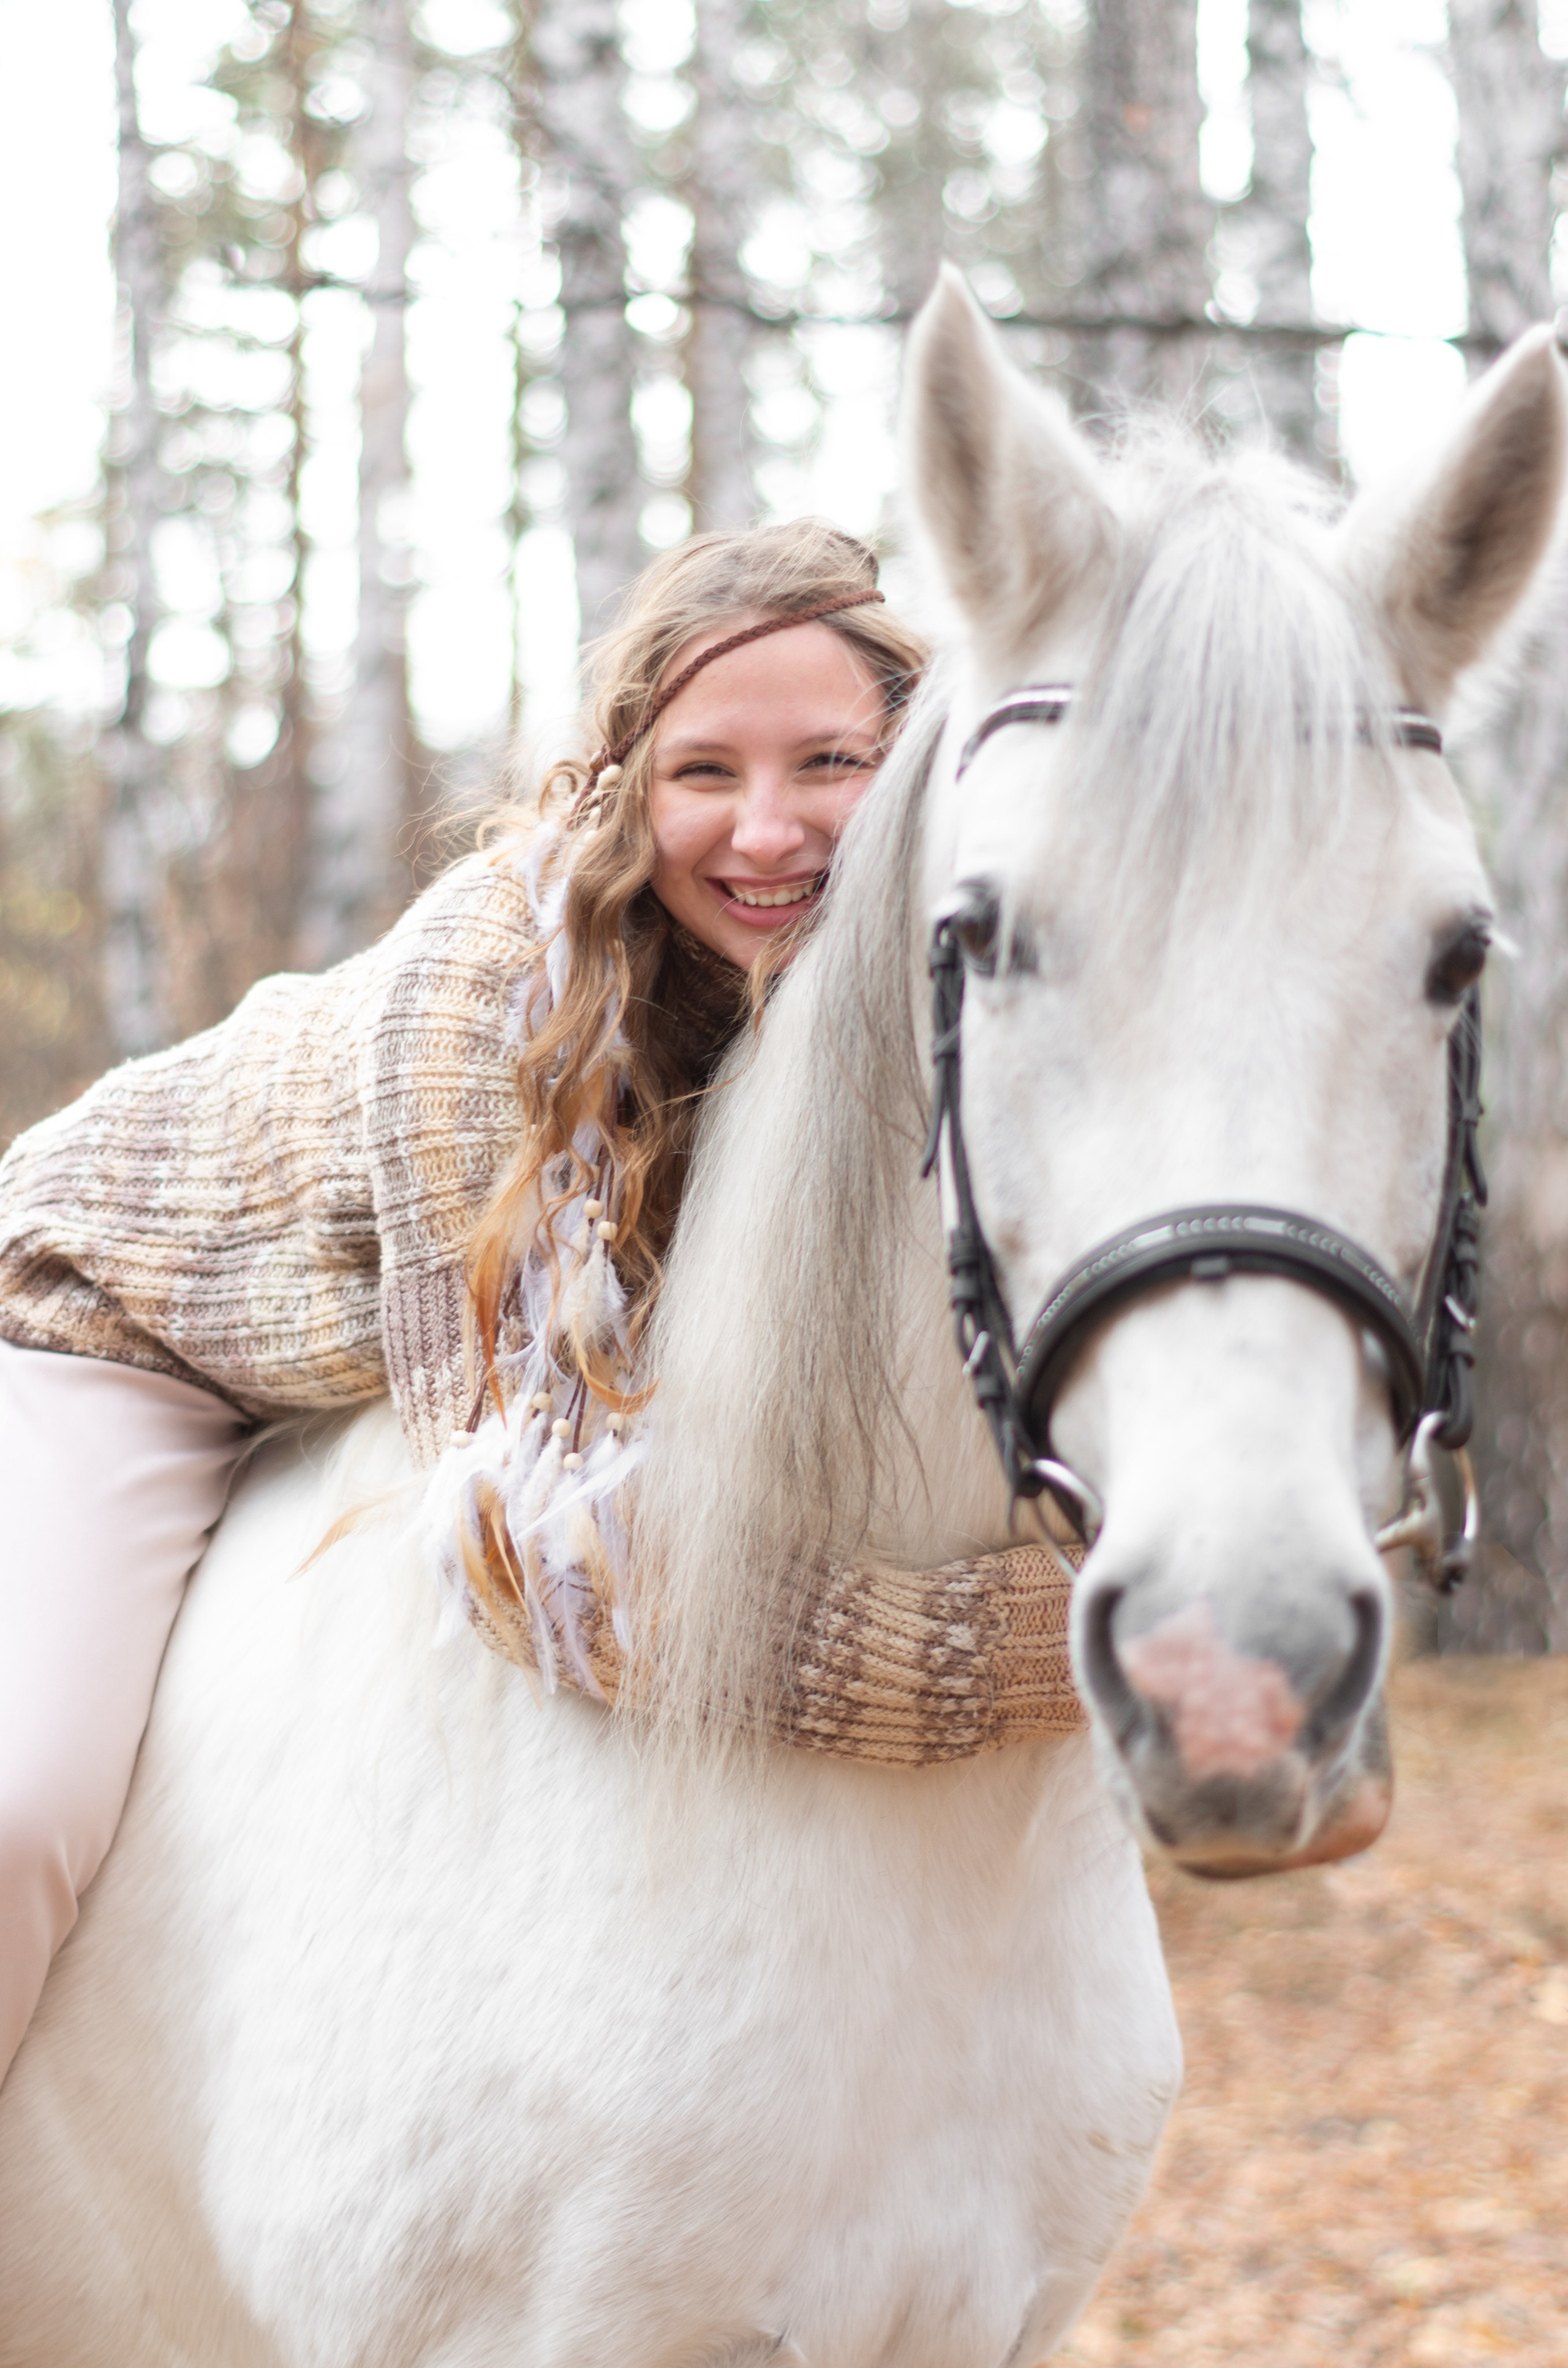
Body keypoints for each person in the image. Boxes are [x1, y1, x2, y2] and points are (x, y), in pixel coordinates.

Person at [0, 519, 1082, 2089]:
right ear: (628, 783)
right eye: (704, 771)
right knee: (22, 1802)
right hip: (110, 1322)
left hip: (338, 1360)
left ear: (914, 762)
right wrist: (1054, 1645)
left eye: (828, 762)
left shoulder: (928, 981)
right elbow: (555, 1564)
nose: (769, 830)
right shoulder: (490, 987)